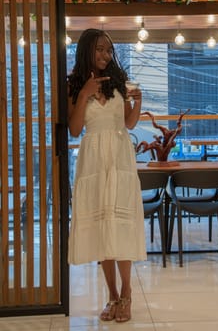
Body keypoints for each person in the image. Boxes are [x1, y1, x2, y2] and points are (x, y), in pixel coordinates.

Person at [67, 28, 147, 323]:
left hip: (119, 158)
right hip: (92, 161)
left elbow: (127, 123)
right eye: (100, 49)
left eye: (109, 50)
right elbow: (75, 130)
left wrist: (137, 102)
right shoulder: (73, 86)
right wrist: (86, 93)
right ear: (87, 49)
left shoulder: (118, 83)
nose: (105, 55)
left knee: (121, 225)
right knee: (103, 228)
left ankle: (127, 294)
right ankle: (112, 295)